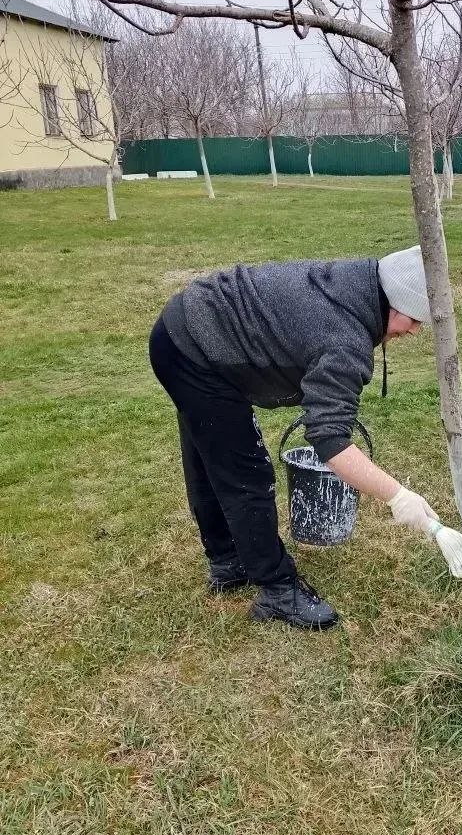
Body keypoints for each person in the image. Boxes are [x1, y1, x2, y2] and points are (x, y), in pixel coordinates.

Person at [148, 245, 441, 630]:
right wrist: (397, 495)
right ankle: (277, 590)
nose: (415, 331)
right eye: (413, 320)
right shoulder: (345, 340)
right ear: (395, 303)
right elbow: (331, 443)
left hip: (188, 324)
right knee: (245, 474)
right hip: (194, 351)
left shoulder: (361, 280)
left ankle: (228, 561)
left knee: (212, 457)